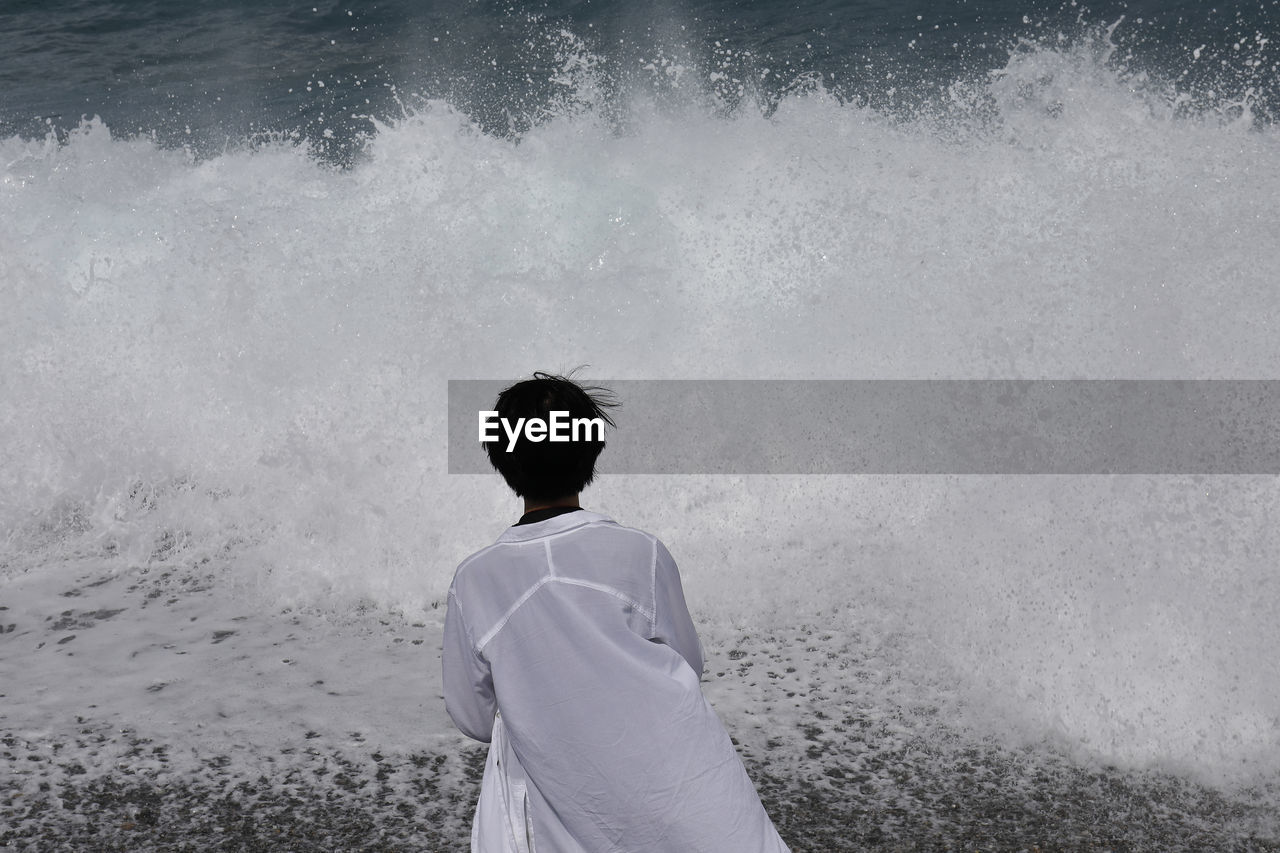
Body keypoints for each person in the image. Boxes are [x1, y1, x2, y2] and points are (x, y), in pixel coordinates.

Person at [442, 372, 791, 853]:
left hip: (558, 793)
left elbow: (474, 719)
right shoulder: (640, 553)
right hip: (675, 786)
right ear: (590, 453)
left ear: (502, 461)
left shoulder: (476, 578)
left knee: (515, 735)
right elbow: (687, 666)